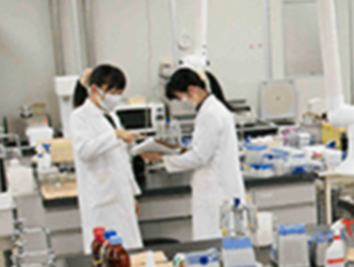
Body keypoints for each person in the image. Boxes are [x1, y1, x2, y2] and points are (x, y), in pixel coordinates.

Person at [143, 68, 245, 240]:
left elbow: (199, 157)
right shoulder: (211, 109)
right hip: (218, 189)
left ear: (191, 90)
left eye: (180, 98)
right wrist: (176, 151)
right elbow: (204, 149)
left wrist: (162, 159)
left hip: (216, 193)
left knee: (214, 242)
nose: (182, 103)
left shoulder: (210, 114)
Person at [71, 65, 143, 254]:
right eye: (113, 92)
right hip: (101, 199)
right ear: (95, 89)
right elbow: (83, 150)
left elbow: (122, 159)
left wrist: (132, 193)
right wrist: (115, 135)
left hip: (121, 196)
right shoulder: (80, 117)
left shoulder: (110, 116)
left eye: (120, 93)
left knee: (129, 253)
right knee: (105, 255)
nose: (116, 97)